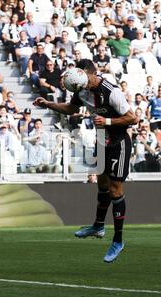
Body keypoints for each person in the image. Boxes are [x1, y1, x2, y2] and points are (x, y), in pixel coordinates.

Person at [33, 59, 138, 263]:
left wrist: (107, 121)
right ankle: (98, 226)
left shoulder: (111, 91)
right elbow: (71, 109)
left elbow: (133, 119)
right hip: (101, 141)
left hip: (118, 142)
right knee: (102, 184)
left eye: (84, 78)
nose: (81, 84)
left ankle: (118, 240)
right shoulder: (81, 88)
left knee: (116, 189)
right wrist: (48, 104)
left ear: (92, 73)